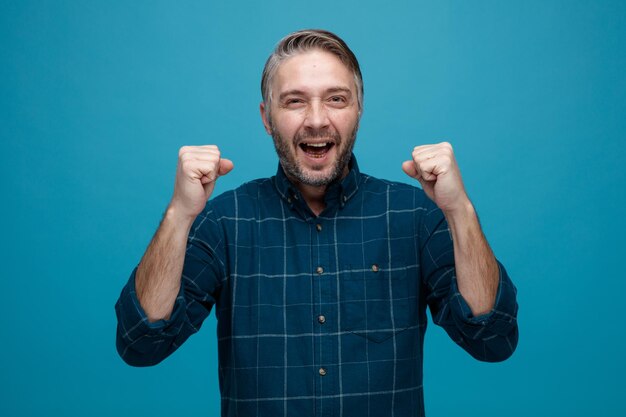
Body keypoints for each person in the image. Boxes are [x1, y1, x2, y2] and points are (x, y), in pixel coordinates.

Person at [115, 29, 518, 417]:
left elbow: (491, 338)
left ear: (359, 108)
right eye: (294, 101)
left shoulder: (415, 215)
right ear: (267, 117)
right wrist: (179, 214)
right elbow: (142, 342)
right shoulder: (225, 220)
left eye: (336, 99)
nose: (316, 120)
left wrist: (460, 210)